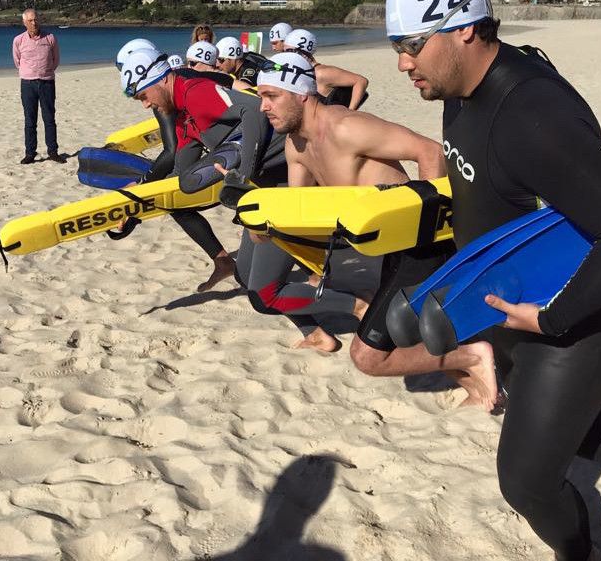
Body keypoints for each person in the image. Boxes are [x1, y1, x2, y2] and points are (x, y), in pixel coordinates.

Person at [386, 0, 601, 561]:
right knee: (558, 423)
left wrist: (551, 319)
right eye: (396, 46)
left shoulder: (531, 114)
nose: (402, 63)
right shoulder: (460, 87)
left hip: (574, 311)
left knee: (527, 482)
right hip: (510, 293)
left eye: (411, 45)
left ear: (465, 31)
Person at [248, 51, 496, 399]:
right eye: (261, 98)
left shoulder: (347, 127)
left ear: (301, 92)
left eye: (271, 96)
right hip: (386, 252)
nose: (263, 108)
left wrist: (426, 229)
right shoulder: (296, 145)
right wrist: (266, 227)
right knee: (414, 327)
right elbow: (298, 209)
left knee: (370, 355)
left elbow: (431, 152)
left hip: (416, 244)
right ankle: (479, 383)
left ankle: (475, 359)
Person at [119, 48, 286, 291]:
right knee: (181, 190)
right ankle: (223, 262)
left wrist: (243, 177)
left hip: (279, 165)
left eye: (143, 95)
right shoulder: (182, 118)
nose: (145, 105)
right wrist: (139, 204)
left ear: (162, 79)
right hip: (257, 176)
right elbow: (178, 174)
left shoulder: (195, 92)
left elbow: (255, 110)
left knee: (265, 289)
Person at [13, 8, 64, 164]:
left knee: (49, 118)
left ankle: (53, 151)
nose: (33, 23)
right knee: (30, 120)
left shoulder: (50, 38)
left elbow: (55, 60)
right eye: (30, 20)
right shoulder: (18, 40)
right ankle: (30, 153)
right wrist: (30, 72)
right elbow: (17, 62)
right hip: (27, 84)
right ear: (24, 22)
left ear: (39, 20)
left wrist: (45, 72)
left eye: (35, 19)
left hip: (47, 82)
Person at [282, 29, 370, 110]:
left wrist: (350, 112)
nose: (285, 56)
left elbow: (361, 81)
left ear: (301, 52)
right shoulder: (303, 72)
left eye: (288, 51)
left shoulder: (320, 73)